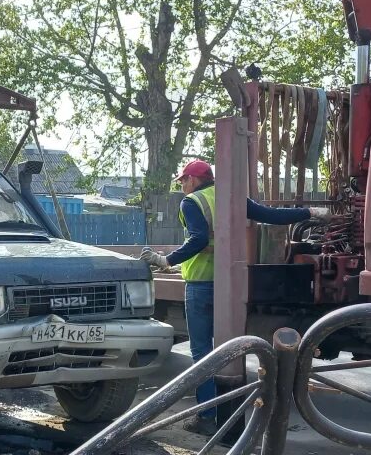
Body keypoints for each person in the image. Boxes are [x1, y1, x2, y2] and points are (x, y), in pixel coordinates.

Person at [140, 160, 329, 434]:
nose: (182, 185)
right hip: (230, 284)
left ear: (194, 180)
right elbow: (271, 215)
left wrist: (166, 260)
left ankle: (207, 417)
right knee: (229, 352)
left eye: (183, 180)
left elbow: (199, 239)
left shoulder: (191, 202)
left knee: (202, 352)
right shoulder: (232, 198)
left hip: (201, 285)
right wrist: (309, 212)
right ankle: (230, 419)